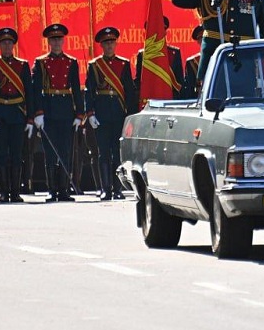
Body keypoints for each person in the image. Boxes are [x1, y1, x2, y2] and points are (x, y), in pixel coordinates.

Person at [31, 23, 85, 202]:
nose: (56, 42)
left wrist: (79, 114)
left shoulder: (71, 62)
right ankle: (51, 189)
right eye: (53, 39)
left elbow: (76, 89)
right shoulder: (41, 62)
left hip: (65, 110)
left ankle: (63, 189)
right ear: (48, 42)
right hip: (48, 110)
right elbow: (35, 89)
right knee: (50, 152)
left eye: (59, 39)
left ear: (63, 41)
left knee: (65, 151)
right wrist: (38, 113)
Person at [86, 27, 138, 200]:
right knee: (103, 153)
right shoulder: (94, 65)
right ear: (101, 45)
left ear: (116, 44)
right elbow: (90, 90)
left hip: (118, 113)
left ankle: (118, 188)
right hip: (101, 113)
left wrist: (131, 115)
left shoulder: (123, 64)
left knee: (117, 153)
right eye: (106, 43)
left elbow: (129, 91)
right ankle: (105, 188)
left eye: (112, 42)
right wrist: (90, 113)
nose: (109, 46)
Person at [0, 27, 32, 203]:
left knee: (17, 155)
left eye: (9, 43)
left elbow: (29, 93)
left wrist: (31, 118)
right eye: (4, 43)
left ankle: (15, 191)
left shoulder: (22, 65)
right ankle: (4, 191)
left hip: (18, 114)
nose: (7, 46)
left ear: (13, 45)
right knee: (2, 155)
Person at [134, 16, 184, 95]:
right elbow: (139, 81)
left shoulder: (174, 53)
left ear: (165, 32)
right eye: (154, 31)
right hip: (150, 97)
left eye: (160, 30)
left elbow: (180, 81)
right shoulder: (142, 55)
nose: (157, 33)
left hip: (170, 97)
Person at [181, 25, 204, 99]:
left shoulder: (222, 58)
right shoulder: (192, 62)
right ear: (198, 42)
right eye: (201, 38)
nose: (204, 41)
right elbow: (190, 89)